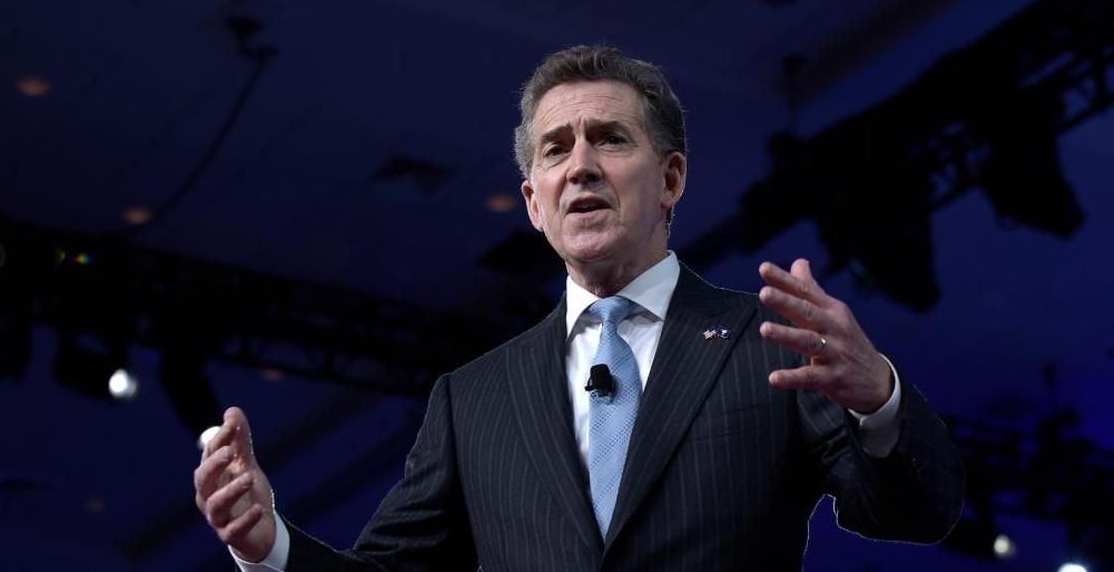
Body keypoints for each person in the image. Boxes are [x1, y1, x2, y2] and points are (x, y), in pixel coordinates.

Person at [194, 45, 964, 572]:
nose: (581, 166)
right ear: (534, 201)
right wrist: (269, 547)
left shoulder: (769, 346)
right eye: (556, 149)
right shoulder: (473, 399)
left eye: (610, 140)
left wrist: (880, 399)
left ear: (670, 179)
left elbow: (913, 511)